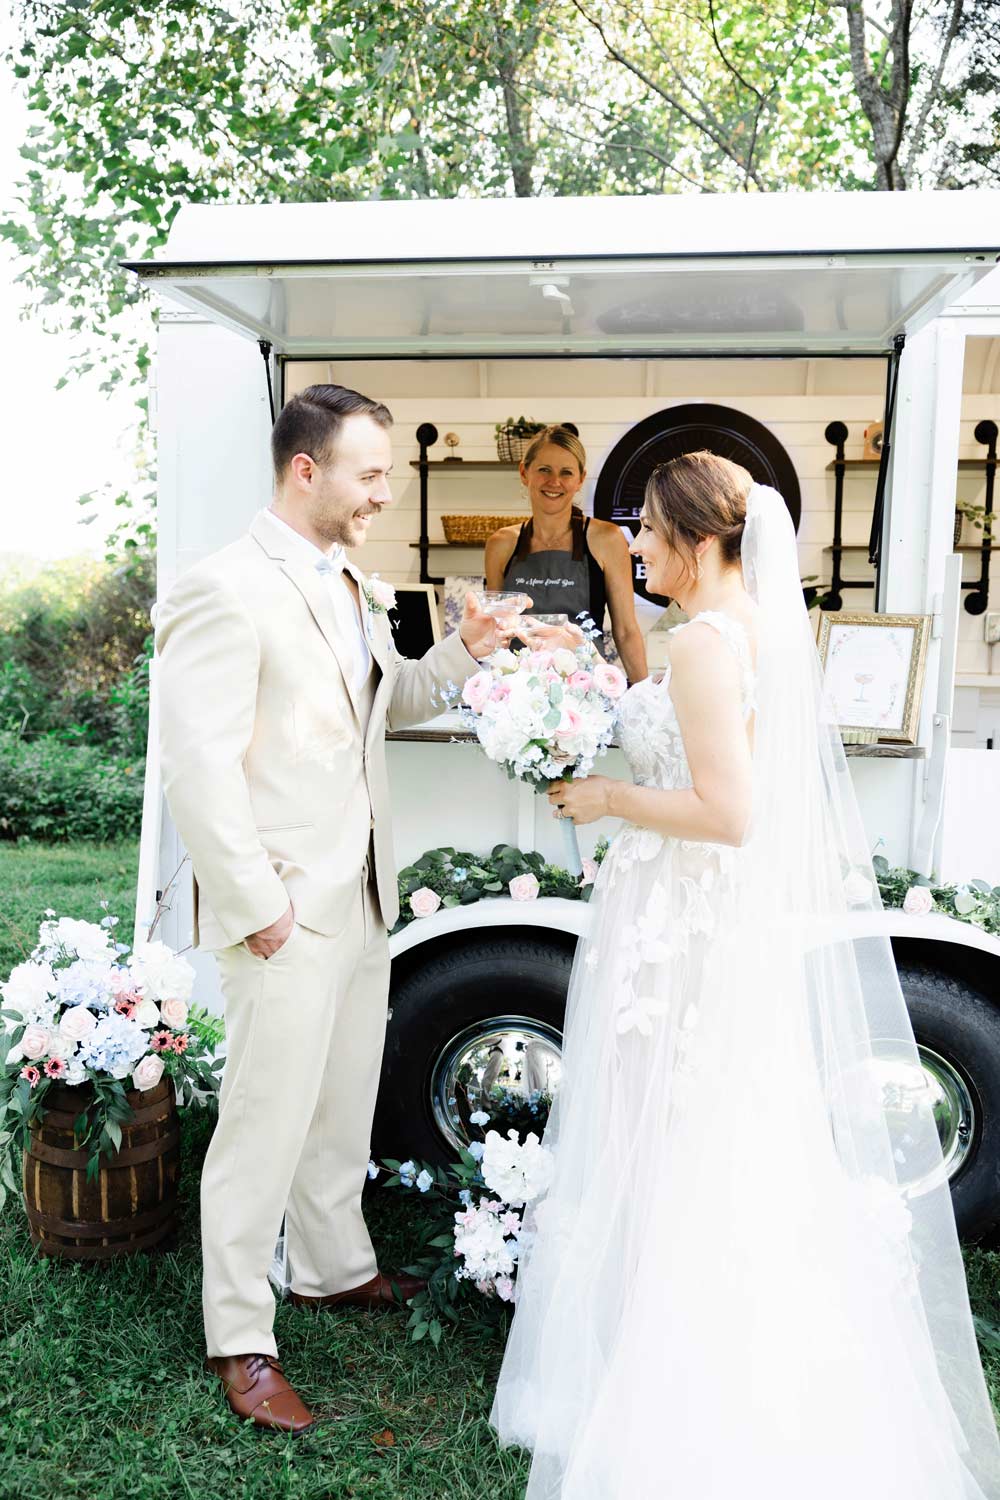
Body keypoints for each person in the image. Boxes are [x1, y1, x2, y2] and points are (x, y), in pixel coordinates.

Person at [490, 451, 1000, 1499]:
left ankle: (666, 1391)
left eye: (646, 532)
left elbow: (728, 814)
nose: (631, 546)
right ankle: (668, 1356)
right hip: (700, 920)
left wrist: (607, 801)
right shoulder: (749, 630)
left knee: (659, 1137)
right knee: (703, 1133)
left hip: (682, 922)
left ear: (696, 538)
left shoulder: (705, 646)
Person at [155, 384, 511, 1436]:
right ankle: (241, 1337)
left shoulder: (348, 578)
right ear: (304, 469)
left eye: (387, 474)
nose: (381, 494)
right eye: (368, 474)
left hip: (358, 896)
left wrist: (466, 650)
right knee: (263, 1125)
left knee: (338, 1104)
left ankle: (331, 1268)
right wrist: (257, 904)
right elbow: (198, 766)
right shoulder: (221, 588)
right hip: (283, 908)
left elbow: (386, 698)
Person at [484, 426, 647, 682]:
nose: (554, 481)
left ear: (580, 479)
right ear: (524, 472)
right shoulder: (501, 544)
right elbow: (496, 631)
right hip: (516, 692)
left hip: (585, 694)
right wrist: (487, 692)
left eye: (566, 472)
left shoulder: (607, 539)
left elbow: (625, 631)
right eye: (544, 470)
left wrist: (644, 699)